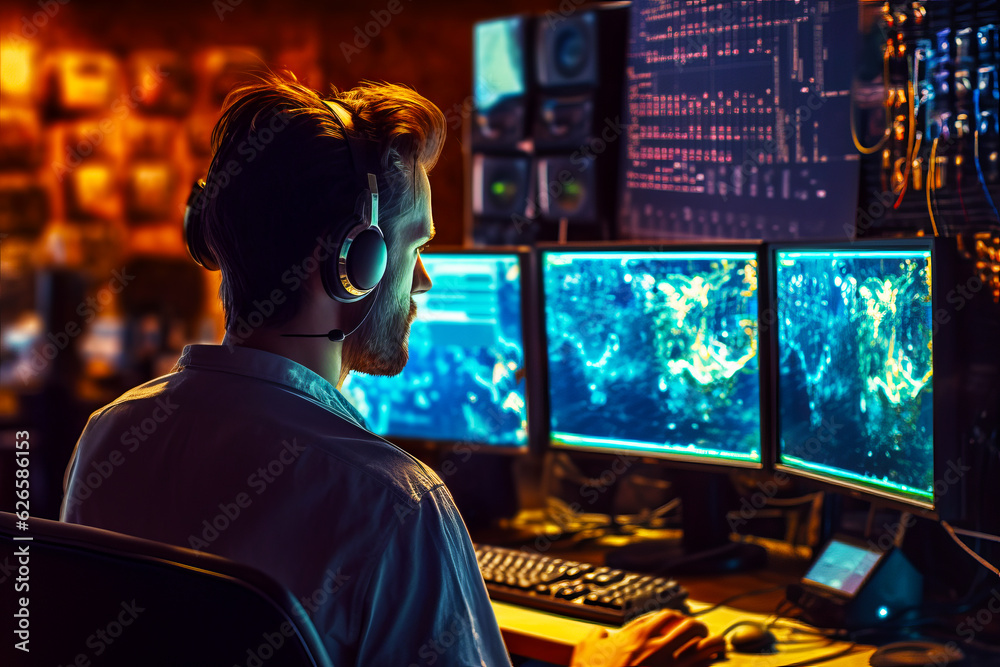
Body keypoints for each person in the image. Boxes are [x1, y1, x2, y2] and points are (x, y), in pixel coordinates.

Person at [60, 71, 723, 666]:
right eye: (417, 248)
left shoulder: (109, 437)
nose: (426, 280)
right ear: (355, 263)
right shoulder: (393, 503)